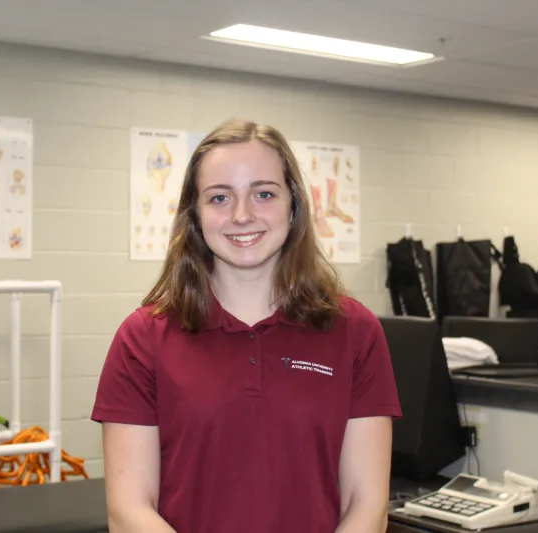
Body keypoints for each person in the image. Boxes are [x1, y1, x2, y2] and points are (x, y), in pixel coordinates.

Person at [91, 118, 401, 533]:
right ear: (195, 215)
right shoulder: (142, 338)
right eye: (220, 198)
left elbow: (366, 506)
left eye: (263, 193)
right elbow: (129, 511)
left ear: (293, 205)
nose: (242, 215)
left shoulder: (356, 332)